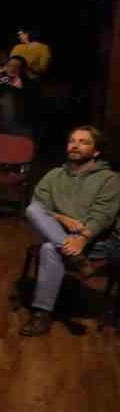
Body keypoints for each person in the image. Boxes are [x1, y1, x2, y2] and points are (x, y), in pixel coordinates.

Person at [21, 125, 120, 337]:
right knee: (33, 210)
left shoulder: (109, 179)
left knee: (50, 248)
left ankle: (41, 313)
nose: (75, 145)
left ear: (96, 151)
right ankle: (78, 261)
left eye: (83, 142)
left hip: (97, 242)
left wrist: (83, 239)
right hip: (65, 237)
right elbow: (39, 205)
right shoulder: (55, 175)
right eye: (72, 141)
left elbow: (104, 215)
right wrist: (61, 217)